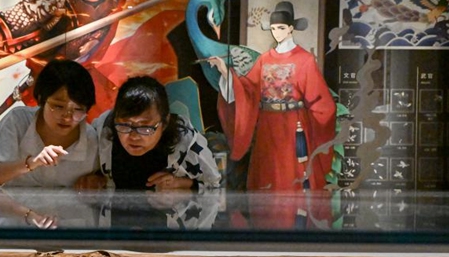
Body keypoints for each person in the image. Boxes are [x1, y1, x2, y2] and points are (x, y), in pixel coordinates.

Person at [209, 1, 336, 191]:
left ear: (291, 28)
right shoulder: (264, 59)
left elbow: (322, 103)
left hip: (293, 127)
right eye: (274, 28)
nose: (277, 32)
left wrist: (317, 122)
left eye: (281, 28)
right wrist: (226, 72)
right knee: (267, 175)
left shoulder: (305, 60)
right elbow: (248, 90)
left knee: (291, 177)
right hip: (267, 126)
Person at [76, 76, 221, 192]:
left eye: (145, 127)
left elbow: (215, 185)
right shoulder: (102, 132)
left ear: (164, 122)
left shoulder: (186, 142)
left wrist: (181, 183)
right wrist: (96, 179)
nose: (134, 136)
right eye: (125, 125)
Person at [0, 59, 98, 187]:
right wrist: (31, 163)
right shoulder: (18, 120)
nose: (67, 117)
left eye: (78, 109)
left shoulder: (91, 139)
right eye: (58, 106)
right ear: (41, 99)